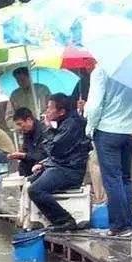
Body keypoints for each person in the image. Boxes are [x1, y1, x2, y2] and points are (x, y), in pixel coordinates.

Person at [84, 66, 132, 236]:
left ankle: (119, 226)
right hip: (130, 131)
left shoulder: (101, 70)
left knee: (112, 179)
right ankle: (128, 223)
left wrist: (90, 127)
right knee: (125, 178)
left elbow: (94, 106)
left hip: (107, 130)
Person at [27, 94, 92, 231]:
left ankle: (65, 220)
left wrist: (49, 128)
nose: (47, 111)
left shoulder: (72, 124)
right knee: (31, 179)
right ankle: (41, 219)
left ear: (61, 111)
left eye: (50, 108)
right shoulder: (68, 122)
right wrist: (45, 163)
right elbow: (60, 152)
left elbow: (54, 148)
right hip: (62, 166)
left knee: (35, 190)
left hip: (69, 171)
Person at [7, 107, 47, 176]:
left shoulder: (44, 131)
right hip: (30, 167)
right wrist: (19, 155)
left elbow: (43, 155)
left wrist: (24, 155)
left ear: (29, 120)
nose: (19, 128)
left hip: (43, 166)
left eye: (20, 124)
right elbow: (26, 150)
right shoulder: (27, 132)